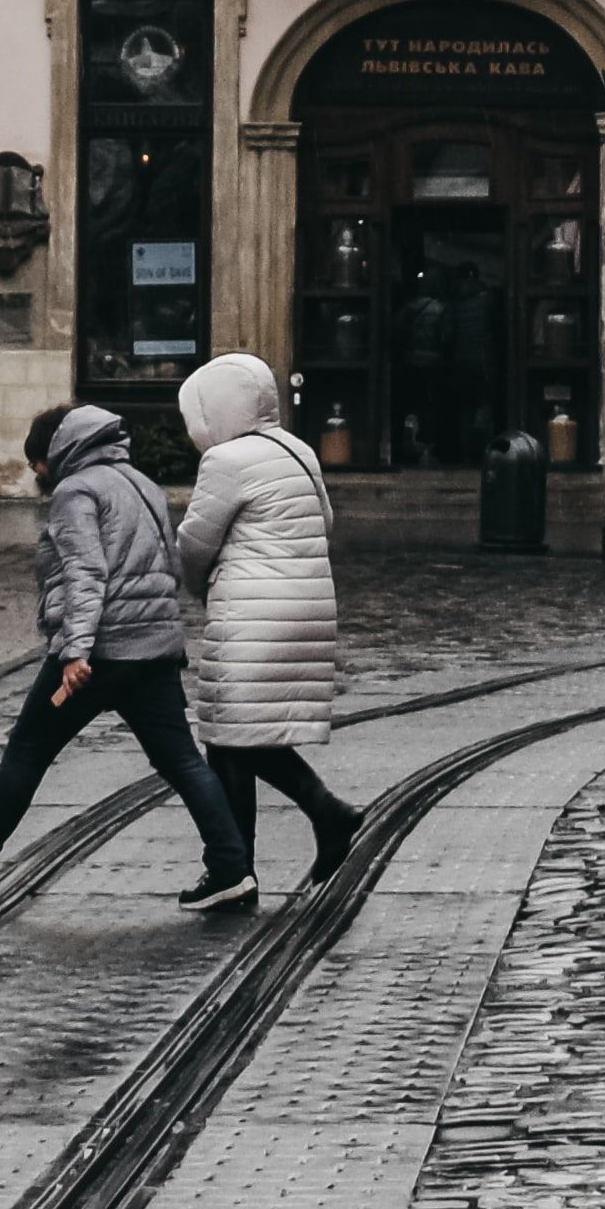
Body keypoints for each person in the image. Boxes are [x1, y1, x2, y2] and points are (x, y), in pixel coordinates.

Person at [0, 401, 258, 909]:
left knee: (27, 748)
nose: (37, 473)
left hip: (99, 651)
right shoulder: (140, 483)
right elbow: (166, 560)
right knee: (182, 760)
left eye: (37, 462)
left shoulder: (77, 491)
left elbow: (86, 573)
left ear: (56, 452)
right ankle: (232, 866)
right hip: (153, 647)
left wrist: (75, 651)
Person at [175, 351, 363, 887]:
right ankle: (249, 860)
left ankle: (250, 859)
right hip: (306, 606)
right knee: (242, 735)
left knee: (230, 735)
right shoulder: (298, 449)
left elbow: (195, 543)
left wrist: (197, 585)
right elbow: (324, 520)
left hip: (252, 612)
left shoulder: (227, 461)